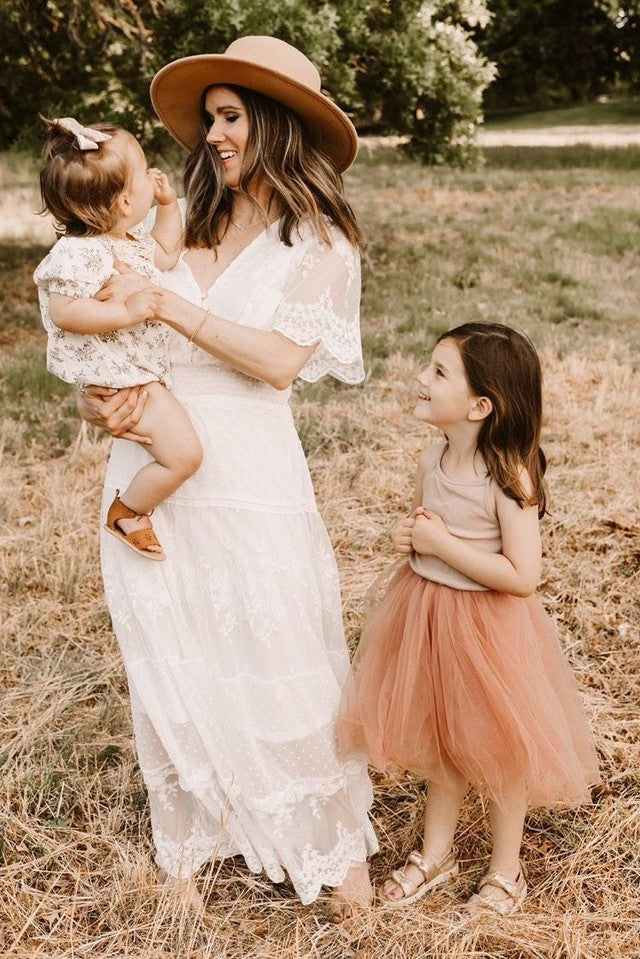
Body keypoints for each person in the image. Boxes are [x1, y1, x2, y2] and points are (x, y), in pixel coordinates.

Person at [76, 36, 378, 915]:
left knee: (276, 644)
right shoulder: (174, 228)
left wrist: (169, 303)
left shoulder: (319, 241)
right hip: (150, 459)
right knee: (170, 649)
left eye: (231, 116)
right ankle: (189, 848)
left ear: (276, 124)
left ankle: (327, 849)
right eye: (209, 118)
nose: (212, 134)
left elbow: (277, 361)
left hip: (247, 468)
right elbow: (116, 341)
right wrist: (101, 406)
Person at [339, 322, 600, 916]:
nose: (420, 380)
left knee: (500, 749)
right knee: (441, 742)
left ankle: (506, 870)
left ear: (480, 405)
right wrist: (413, 540)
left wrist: (441, 546)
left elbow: (523, 575)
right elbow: (425, 530)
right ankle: (436, 854)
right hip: (425, 613)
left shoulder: (510, 475)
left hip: (488, 627)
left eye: (437, 373)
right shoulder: (433, 456)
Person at [34, 117, 201, 561]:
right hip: (124, 381)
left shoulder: (128, 241)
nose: (155, 176)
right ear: (127, 199)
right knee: (184, 455)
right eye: (147, 171)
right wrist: (123, 311)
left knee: (183, 453)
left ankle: (133, 508)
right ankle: (129, 511)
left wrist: (167, 206)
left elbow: (166, 254)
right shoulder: (82, 252)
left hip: (137, 376)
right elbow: (64, 310)